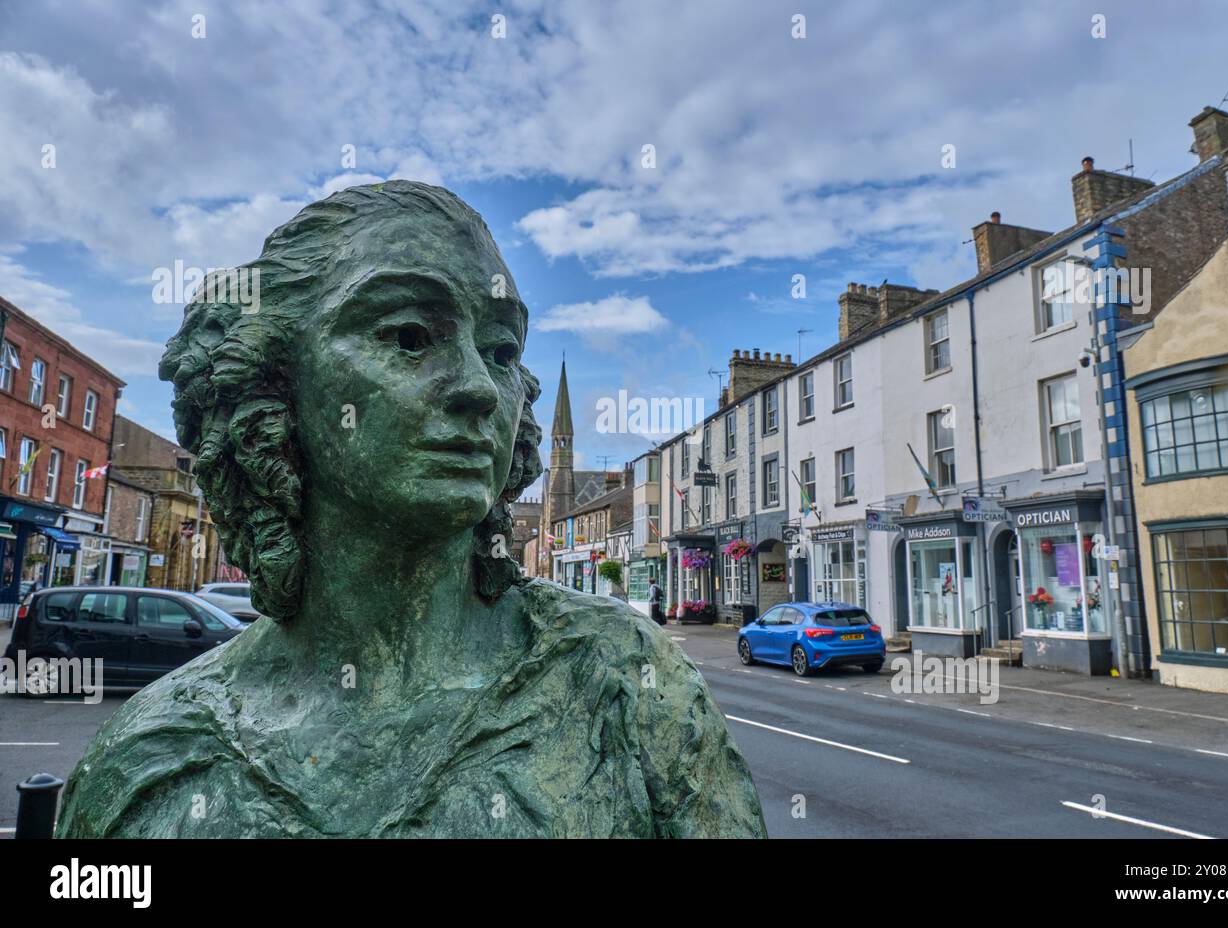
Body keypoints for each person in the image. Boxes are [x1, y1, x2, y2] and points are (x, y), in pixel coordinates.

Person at [55, 182, 765, 839]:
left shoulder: (627, 683)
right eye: (408, 336)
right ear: (277, 383)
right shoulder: (155, 764)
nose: (480, 387)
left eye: (501, 349)